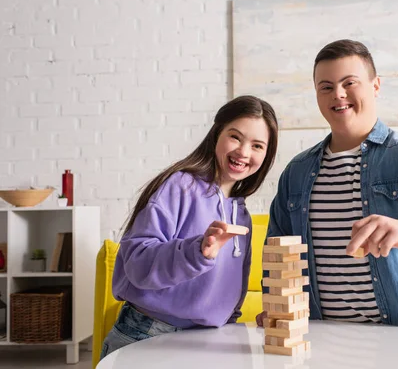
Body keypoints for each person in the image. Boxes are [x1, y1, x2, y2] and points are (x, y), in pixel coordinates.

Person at [256, 39, 398, 340]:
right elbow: (279, 250)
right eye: (326, 87)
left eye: (350, 82)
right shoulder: (296, 172)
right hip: (323, 340)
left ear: (375, 86)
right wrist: (277, 305)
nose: (338, 94)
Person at [100, 95, 278, 360]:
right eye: (235, 137)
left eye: (257, 145)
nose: (243, 152)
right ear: (217, 133)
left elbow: (229, 295)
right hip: (149, 334)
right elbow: (137, 263)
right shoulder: (180, 186)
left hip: (206, 341)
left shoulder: (241, 216)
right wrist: (197, 252)